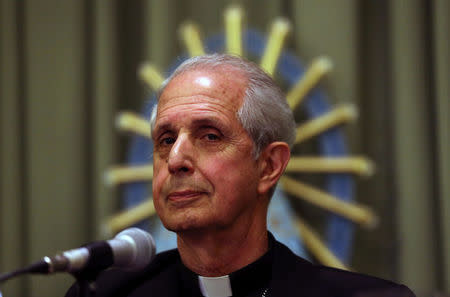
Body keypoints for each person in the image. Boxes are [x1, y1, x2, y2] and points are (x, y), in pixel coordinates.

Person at [66, 54, 415, 297]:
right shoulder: (107, 294)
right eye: (166, 139)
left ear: (269, 166)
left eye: (210, 136)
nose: (175, 159)